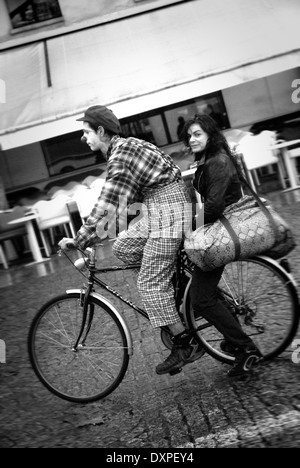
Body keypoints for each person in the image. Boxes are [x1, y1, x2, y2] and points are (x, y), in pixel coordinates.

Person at [58, 105, 204, 376]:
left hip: (168, 211)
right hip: (165, 207)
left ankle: (186, 344)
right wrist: (104, 232)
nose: (83, 138)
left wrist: (79, 239)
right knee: (124, 246)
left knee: (149, 283)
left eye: (86, 132)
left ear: (101, 131)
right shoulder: (128, 146)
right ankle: (174, 300)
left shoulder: (121, 155)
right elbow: (124, 204)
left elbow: (109, 203)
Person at [180, 114, 262, 377]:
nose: (192, 139)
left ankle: (245, 348)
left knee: (201, 298)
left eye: (197, 134)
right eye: (189, 135)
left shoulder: (217, 161)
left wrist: (190, 226)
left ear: (210, 136)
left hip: (225, 232)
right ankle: (231, 330)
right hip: (222, 227)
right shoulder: (211, 159)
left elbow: (214, 206)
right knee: (200, 285)